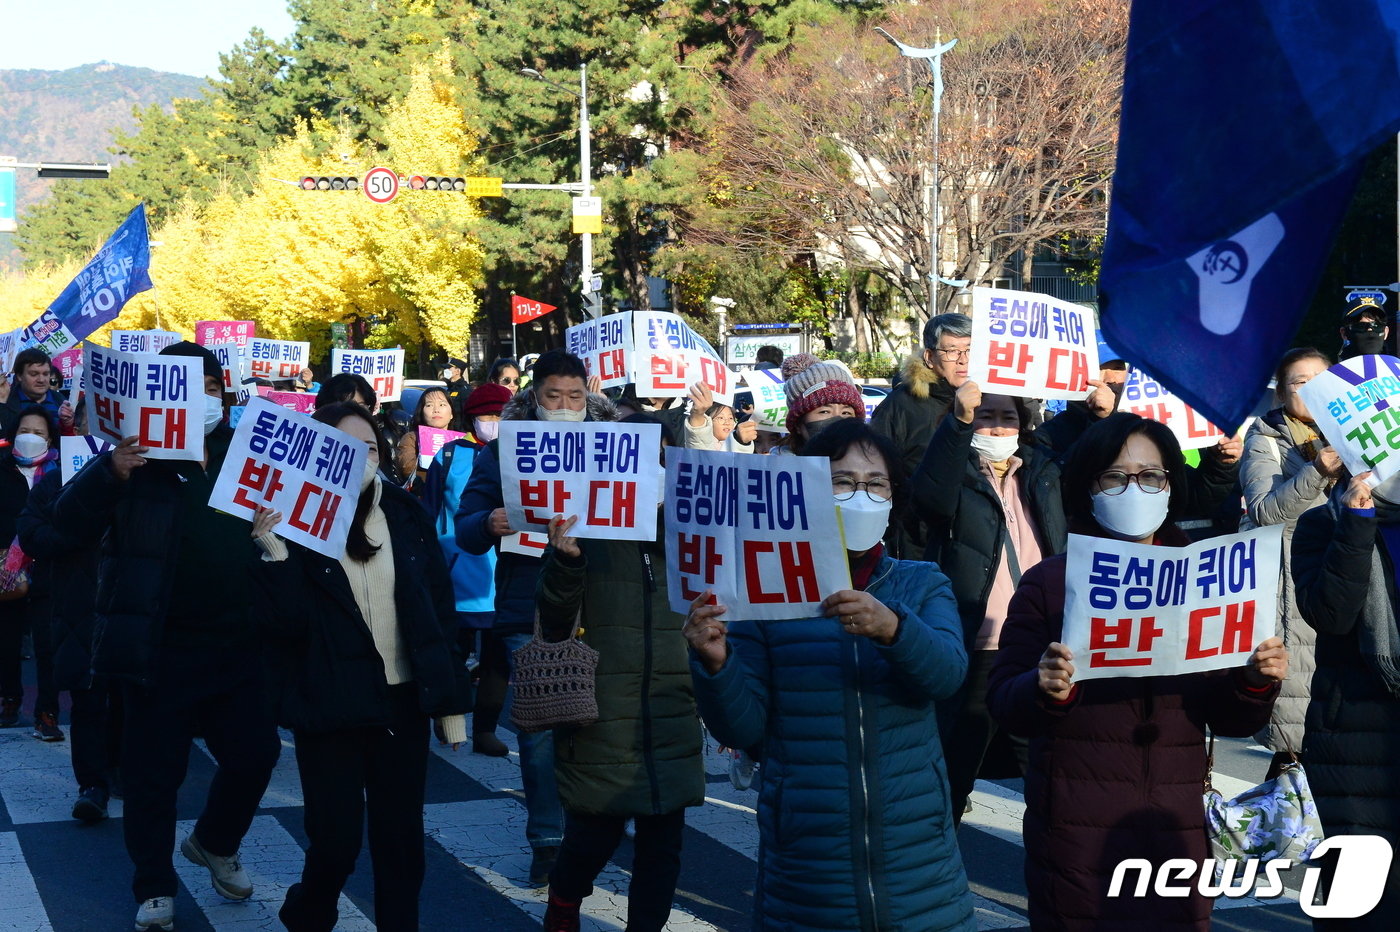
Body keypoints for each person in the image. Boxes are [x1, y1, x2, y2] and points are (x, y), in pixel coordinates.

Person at [986, 412, 1287, 930]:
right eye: (1116, 477)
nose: (1135, 489)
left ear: (1171, 484)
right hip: (1078, 830)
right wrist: (1044, 687)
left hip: (1177, 828)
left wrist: (1255, 679)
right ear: (1088, 487)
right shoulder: (1049, 583)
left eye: (1151, 476)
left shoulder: (1206, 579)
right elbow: (1004, 701)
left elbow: (1231, 718)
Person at [684, 419, 975, 931]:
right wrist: (716, 664)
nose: (859, 496)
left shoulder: (922, 583)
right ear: (807, 493)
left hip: (917, 852)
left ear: (893, 497)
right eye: (841, 482)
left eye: (875, 484)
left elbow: (948, 675)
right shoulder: (763, 596)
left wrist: (894, 630)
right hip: (809, 858)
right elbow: (743, 730)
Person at [51, 342, 281, 932]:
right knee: (153, 776)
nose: (202, 397)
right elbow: (64, 526)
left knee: (257, 754)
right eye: (186, 385)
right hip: (160, 648)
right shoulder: (137, 462)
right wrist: (110, 472)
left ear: (223, 392)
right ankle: (154, 886)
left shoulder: (246, 456)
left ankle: (214, 840)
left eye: (210, 385)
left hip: (239, 644)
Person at [250, 401, 470, 932]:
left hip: (400, 702)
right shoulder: (291, 522)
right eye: (344, 447)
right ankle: (309, 912)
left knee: (400, 842)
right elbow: (284, 628)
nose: (361, 458)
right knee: (336, 842)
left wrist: (449, 704)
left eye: (369, 446)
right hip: (329, 702)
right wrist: (273, 552)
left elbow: (436, 610)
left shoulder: (405, 512)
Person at [455, 349, 617, 885]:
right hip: (529, 601)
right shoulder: (505, 449)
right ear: (534, 395)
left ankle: (602, 816)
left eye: (575, 396)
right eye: (554, 396)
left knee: (602, 719)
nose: (566, 405)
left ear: (589, 393)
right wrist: (488, 521)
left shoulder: (616, 445)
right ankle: (548, 840)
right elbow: (467, 524)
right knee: (541, 724)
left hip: (602, 598)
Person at [536, 418, 702, 932]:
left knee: (663, 846)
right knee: (592, 836)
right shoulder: (586, 531)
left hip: (673, 709)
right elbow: (554, 623)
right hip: (603, 711)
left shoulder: (696, 535)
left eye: (663, 457)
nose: (653, 470)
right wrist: (564, 564)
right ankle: (564, 900)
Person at [912, 383, 1065, 821]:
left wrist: (1094, 411)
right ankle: (935, 869)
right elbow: (930, 500)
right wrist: (960, 423)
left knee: (1046, 776)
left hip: (1040, 646)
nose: (997, 426)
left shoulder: (1043, 470)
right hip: (979, 646)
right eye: (986, 415)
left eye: (1008, 416)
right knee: (954, 774)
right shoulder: (954, 471)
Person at [1292, 466, 1400, 927]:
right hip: (1354, 740)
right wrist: (1357, 521)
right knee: (1360, 904)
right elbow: (1331, 614)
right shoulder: (1325, 522)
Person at [1238, 347, 1339, 777]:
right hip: (1297, 585)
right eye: (1300, 381)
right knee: (1297, 736)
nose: (1312, 388)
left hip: (1351, 578)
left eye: (1321, 378)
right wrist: (1316, 469)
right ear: (1281, 392)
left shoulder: (1354, 431)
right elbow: (1264, 511)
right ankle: (1284, 830)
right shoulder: (1265, 437)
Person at [17, 452, 119, 820]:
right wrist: (77, 531)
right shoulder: (56, 482)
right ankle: (93, 785)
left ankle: (123, 770)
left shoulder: (150, 478)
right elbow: (32, 534)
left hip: (130, 601)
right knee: (88, 698)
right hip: (77, 604)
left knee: (130, 698)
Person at [422, 381, 513, 757]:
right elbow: (431, 513)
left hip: (503, 573)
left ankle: (486, 728)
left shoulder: (520, 455)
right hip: (456, 570)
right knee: (453, 652)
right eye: (485, 416)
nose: (492, 422)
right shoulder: (448, 456)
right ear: (471, 419)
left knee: (497, 658)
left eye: (499, 415)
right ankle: (448, 716)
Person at [870, 313, 970, 558]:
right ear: (930, 357)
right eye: (952, 351)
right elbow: (878, 475)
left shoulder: (993, 403)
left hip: (978, 538)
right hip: (919, 544)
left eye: (970, 350)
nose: (963, 360)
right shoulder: (899, 406)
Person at [0, 405, 62, 735]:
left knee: (47, 644)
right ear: (13, 435)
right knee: (7, 641)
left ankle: (47, 712)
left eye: (39, 433)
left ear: (50, 438)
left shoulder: (59, 473)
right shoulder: (2, 470)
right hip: (7, 573)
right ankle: (9, 698)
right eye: (26, 431)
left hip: (46, 568)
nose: (32, 437)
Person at [773, 354, 864, 455]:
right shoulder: (777, 467)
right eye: (825, 411)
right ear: (798, 425)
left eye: (846, 412)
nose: (838, 420)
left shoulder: (875, 462)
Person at [0, 347, 76, 437]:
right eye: (34, 374)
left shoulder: (60, 401)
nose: (41, 380)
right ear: (19, 376)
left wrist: (67, 425)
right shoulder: (6, 400)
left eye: (46, 374)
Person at [396, 386, 458, 495]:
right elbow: (407, 469)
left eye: (442, 404)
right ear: (422, 412)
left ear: (452, 413)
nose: (436, 410)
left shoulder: (461, 441)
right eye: (429, 405)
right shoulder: (412, 438)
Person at [683, 382, 756, 452]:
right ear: (708, 422)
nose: (727, 423)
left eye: (730, 418)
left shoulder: (744, 444)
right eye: (721, 418)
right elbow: (699, 442)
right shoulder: (705, 447)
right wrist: (697, 416)